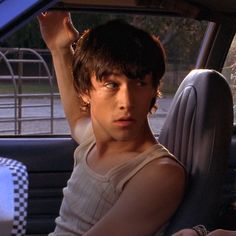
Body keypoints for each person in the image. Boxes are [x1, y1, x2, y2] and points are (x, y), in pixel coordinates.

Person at [38, 11, 186, 236]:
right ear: (85, 91)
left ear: (153, 90)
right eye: (111, 85)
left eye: (140, 83)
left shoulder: (159, 173)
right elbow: (77, 118)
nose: (126, 102)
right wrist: (59, 49)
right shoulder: (94, 142)